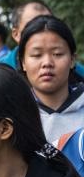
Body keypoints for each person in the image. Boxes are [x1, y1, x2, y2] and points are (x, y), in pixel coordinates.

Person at [17, 16, 84, 144]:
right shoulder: (13, 116)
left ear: (72, 60)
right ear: (23, 63)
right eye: (37, 55)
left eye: (57, 54)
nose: (47, 63)